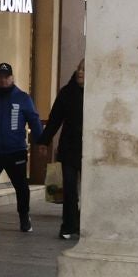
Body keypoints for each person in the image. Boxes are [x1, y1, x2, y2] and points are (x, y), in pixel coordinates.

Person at [0, 61, 43, 235]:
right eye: (0, 77)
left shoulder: (22, 98)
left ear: (12, 77)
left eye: (6, 77)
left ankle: (24, 217)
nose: (3, 80)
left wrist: (41, 142)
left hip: (15, 151)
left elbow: (34, 120)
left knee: (21, 186)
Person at [41, 59, 85, 239]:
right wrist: (44, 141)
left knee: (91, 191)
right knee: (69, 189)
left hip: (90, 151)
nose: (81, 72)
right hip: (69, 149)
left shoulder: (98, 94)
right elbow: (55, 119)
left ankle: (82, 223)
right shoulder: (67, 93)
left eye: (85, 69)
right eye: (79, 68)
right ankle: (68, 225)